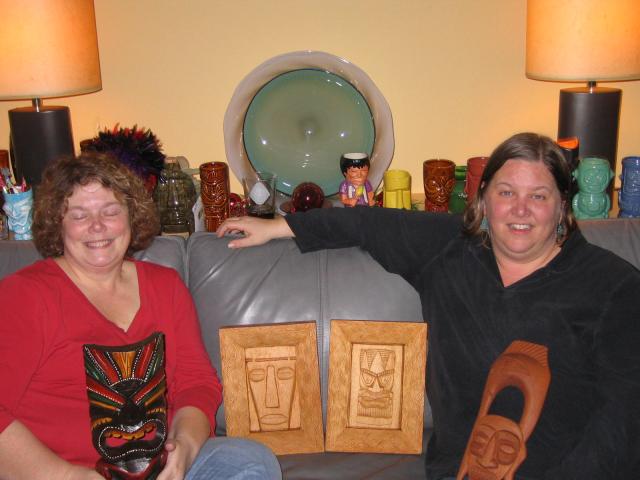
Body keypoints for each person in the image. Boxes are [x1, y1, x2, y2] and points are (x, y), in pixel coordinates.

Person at [217, 132, 640, 479]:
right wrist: (280, 226)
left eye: (539, 196)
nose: (520, 210)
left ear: (563, 205)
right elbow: (367, 222)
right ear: (483, 198)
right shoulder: (449, 249)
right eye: (506, 192)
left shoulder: (614, 286)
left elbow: (622, 419)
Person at [0, 153, 282, 480]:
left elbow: (196, 383)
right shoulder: (25, 296)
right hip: (63, 472)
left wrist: (185, 448)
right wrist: (66, 476)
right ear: (56, 223)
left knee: (251, 461)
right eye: (79, 215)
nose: (97, 226)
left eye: (110, 211)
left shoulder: (165, 286)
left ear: (131, 216)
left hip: (162, 466)